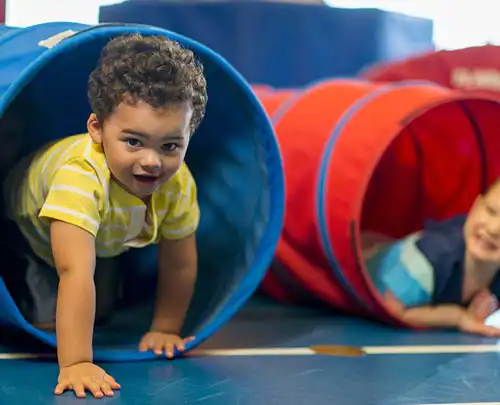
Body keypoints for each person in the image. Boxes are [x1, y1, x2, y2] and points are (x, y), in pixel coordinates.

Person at [1, 33, 207, 398]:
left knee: (104, 308)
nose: (151, 160)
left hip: (103, 236)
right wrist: (77, 362)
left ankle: (111, 270)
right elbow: (74, 271)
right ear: (97, 128)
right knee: (51, 321)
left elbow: (178, 263)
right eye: (133, 141)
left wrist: (165, 327)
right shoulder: (80, 177)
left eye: (170, 145)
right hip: (27, 232)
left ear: (188, 137)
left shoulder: (178, 183)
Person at [363, 179, 500, 337]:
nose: (493, 229)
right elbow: (393, 309)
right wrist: (458, 316)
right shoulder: (428, 260)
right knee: (370, 247)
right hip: (367, 266)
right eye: (490, 211)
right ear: (475, 206)